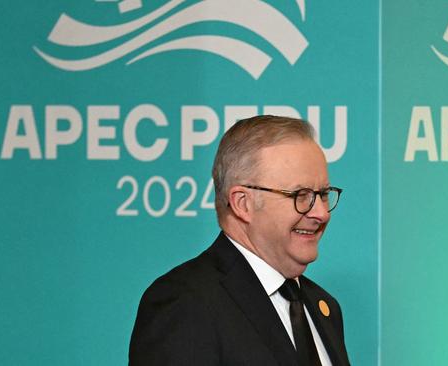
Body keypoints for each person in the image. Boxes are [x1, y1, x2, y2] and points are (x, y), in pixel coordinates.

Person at [129, 115, 350, 366]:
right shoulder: (186, 303)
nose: (321, 212)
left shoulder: (324, 307)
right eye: (301, 195)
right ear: (242, 204)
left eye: (322, 194)